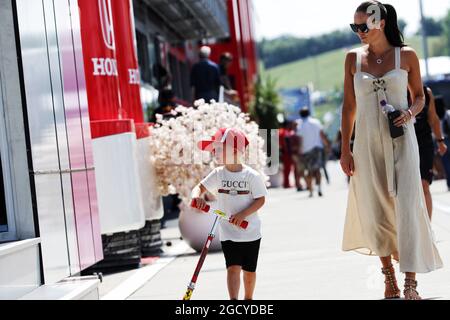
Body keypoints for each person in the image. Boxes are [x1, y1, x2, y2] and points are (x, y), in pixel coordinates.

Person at [341, 1, 443, 300]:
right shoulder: (352, 59)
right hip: (366, 144)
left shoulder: (407, 55)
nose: (359, 32)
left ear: (380, 23)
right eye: (354, 27)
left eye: (363, 26)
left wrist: (410, 113)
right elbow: (348, 108)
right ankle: (389, 279)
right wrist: (346, 149)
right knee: (375, 210)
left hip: (402, 141)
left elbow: (420, 97)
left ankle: (411, 282)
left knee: (409, 206)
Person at [191, 128, 267, 300]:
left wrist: (242, 214)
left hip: (251, 232)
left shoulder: (251, 176)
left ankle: (248, 299)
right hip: (228, 232)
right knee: (232, 267)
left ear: (234, 151)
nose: (215, 153)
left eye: (219, 149)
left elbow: (261, 200)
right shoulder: (218, 174)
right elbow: (199, 188)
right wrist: (197, 197)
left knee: (249, 271)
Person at [410, 87, 448, 219]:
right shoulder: (395, 89)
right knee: (409, 189)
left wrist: (440, 141)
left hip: (424, 144)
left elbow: (433, 118)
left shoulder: (426, 91)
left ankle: (428, 229)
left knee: (424, 184)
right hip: (404, 144)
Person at [296, 107, 329, 197]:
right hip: (317, 149)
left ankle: (310, 190)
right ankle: (319, 188)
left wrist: (299, 151)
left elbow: (300, 140)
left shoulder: (300, 125)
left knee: (308, 171)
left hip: (306, 151)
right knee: (317, 169)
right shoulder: (316, 122)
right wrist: (326, 145)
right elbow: (321, 135)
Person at [441, 100, 450, 191]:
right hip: (448, 139)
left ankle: (449, 183)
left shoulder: (437, 115)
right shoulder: (448, 113)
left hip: (441, 141)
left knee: (446, 164)